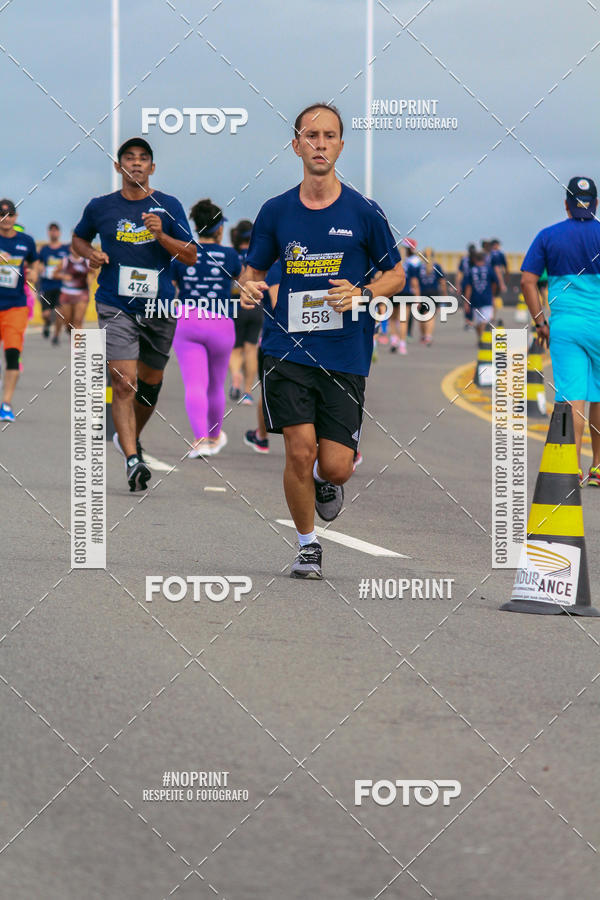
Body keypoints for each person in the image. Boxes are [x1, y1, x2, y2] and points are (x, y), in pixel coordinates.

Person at [240, 102, 404, 579]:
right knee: (298, 447)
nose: (320, 144)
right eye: (311, 136)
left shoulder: (364, 212)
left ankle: (324, 483)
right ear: (296, 146)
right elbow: (253, 272)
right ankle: (307, 544)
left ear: (341, 145)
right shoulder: (275, 211)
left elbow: (396, 274)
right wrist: (249, 287)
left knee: (334, 466)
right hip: (286, 349)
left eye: (329, 136)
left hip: (345, 351)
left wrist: (363, 293)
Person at [72, 137, 196, 491]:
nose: (137, 163)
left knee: (149, 382)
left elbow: (190, 255)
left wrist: (161, 236)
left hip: (159, 305)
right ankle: (132, 459)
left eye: (144, 158)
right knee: (124, 381)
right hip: (115, 302)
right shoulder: (100, 207)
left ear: (152, 167)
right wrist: (90, 254)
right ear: (118, 167)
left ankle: (130, 438)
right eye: (130, 158)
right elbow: (77, 240)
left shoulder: (168, 206)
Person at [521, 176, 600, 485]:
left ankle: (570, 467)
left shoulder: (548, 236)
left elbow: (528, 280)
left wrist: (540, 321)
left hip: (565, 326)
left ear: (566, 205)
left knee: (572, 396)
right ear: (595, 204)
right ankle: (598, 467)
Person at [171, 199, 241, 457]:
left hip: (188, 318)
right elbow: (238, 282)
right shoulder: (231, 255)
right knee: (215, 385)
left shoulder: (183, 253)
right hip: (221, 320)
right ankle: (214, 437)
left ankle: (199, 439)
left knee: (194, 383)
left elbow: (174, 283)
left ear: (196, 226)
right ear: (220, 228)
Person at [0, 199, 38, 422]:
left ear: (16, 217)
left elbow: (34, 263)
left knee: (12, 353)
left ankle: (6, 403)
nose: (6, 219)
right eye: (2, 214)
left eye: (10, 215)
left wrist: (33, 273)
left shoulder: (26, 242)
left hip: (15, 305)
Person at [244, 258, 280, 454]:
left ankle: (261, 437)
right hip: (273, 340)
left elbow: (276, 305)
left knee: (267, 392)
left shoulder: (276, 267)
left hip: (275, 343)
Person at [229, 219, 262, 404]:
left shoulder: (232, 255)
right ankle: (248, 393)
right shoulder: (258, 256)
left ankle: (235, 377)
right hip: (256, 306)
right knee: (251, 349)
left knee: (236, 349)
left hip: (236, 305)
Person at [53, 242, 91, 341]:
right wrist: (63, 276)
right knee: (68, 322)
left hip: (82, 293)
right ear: (70, 249)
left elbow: (92, 273)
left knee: (78, 321)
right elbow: (54, 274)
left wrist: (90, 279)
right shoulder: (65, 261)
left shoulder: (86, 261)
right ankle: (70, 331)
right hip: (67, 293)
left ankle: (78, 349)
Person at [38, 223, 70, 339]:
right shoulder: (44, 250)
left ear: (60, 233)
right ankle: (47, 323)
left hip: (61, 287)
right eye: (51, 230)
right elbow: (37, 264)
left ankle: (57, 334)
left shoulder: (65, 249)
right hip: (47, 286)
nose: (54, 233)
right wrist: (40, 268)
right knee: (45, 314)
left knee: (59, 312)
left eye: (56, 230)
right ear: (48, 233)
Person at [410, 246, 447, 345]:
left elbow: (415, 283)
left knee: (421, 315)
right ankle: (428, 336)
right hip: (433, 292)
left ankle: (423, 335)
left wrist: (416, 297)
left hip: (422, 293)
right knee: (430, 316)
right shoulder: (437, 266)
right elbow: (442, 282)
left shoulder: (418, 267)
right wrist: (444, 294)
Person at [390, 238, 419, 354]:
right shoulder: (412, 262)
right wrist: (417, 297)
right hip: (406, 292)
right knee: (403, 320)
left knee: (392, 319)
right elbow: (414, 282)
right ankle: (402, 345)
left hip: (394, 291)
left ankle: (394, 339)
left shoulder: (394, 261)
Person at [463, 250, 499, 337]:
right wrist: (493, 294)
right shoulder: (489, 269)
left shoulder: (471, 271)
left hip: (474, 299)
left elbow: (468, 287)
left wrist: (466, 302)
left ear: (475, 260)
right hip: (487, 298)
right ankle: (482, 338)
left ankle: (480, 338)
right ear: (484, 259)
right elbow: (495, 283)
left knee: (479, 321)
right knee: (485, 321)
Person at [456, 243, 477, 329]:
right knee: (468, 302)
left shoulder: (465, 259)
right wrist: (458, 285)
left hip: (467, 283)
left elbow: (459, 273)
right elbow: (460, 273)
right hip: (470, 283)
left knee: (467, 302)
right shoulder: (469, 259)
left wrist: (458, 284)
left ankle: (469, 320)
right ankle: (469, 321)